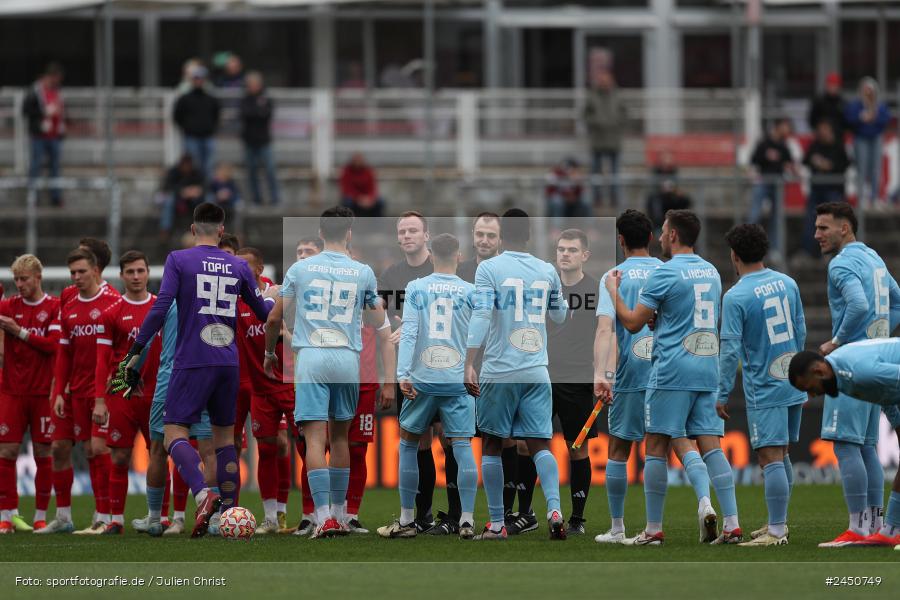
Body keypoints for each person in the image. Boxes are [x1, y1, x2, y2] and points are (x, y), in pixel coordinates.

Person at [120, 202, 273, 538]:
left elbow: (161, 306)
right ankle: (228, 516)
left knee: (173, 432)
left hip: (192, 360)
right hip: (228, 362)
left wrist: (136, 349)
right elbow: (264, 313)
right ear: (222, 230)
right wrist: (275, 307)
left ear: (193, 229)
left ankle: (204, 496)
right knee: (224, 440)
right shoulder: (238, 264)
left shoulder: (179, 259)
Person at [605, 209, 742, 545]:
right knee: (711, 446)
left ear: (674, 235)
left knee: (655, 445)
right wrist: (662, 320)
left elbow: (633, 323)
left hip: (672, 370)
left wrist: (613, 292)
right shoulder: (711, 271)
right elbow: (686, 313)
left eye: (665, 231)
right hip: (707, 367)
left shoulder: (666, 272)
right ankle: (732, 524)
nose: (661, 237)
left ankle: (653, 529)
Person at [264, 206, 395, 538]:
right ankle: (341, 514)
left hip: (312, 357)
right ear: (349, 233)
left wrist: (269, 353)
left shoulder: (300, 268)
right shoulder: (362, 271)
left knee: (314, 438)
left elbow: (274, 318)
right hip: (347, 359)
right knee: (340, 437)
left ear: (321, 233)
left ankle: (322, 517)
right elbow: (376, 319)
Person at [465, 208, 569, 540]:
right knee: (540, 443)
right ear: (529, 234)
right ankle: (554, 510)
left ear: (501, 235)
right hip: (537, 369)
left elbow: (482, 315)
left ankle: (497, 524)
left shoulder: (489, 268)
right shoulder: (547, 269)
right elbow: (560, 316)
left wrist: (469, 362)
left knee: (492, 443)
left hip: (500, 369)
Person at [811, 201, 900, 547]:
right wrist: (880, 334)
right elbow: (897, 301)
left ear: (844, 228)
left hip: (851, 365)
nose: (817, 234)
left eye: (823, 227)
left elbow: (859, 304)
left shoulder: (841, 263)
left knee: (846, 445)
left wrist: (837, 342)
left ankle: (857, 528)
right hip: (876, 359)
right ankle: (875, 524)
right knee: (866, 446)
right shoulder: (873, 258)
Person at [378, 233, 478, 540]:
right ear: (459, 256)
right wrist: (470, 367)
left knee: (409, 444)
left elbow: (409, 333)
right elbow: (479, 336)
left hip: (423, 379)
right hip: (456, 379)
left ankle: (408, 519)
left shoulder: (416, 287)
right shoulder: (471, 291)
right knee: (462, 447)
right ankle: (467, 519)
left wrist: (403, 373)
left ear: (432, 255)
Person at [717, 224, 807, 547]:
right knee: (781, 453)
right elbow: (800, 329)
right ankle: (776, 522)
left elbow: (729, 350)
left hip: (765, 385)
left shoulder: (736, 295)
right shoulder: (788, 283)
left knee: (770, 456)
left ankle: (777, 531)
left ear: (734, 255)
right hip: (792, 378)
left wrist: (721, 392)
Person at [35, 249, 120, 535]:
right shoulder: (69, 304)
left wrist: (114, 380)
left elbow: (120, 348)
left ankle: (103, 515)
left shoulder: (112, 302)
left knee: (96, 449)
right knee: (60, 447)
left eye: (81, 271)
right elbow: (64, 353)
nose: (76, 277)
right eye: (72, 272)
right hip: (73, 390)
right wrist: (59, 391)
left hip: (100, 390)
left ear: (95, 270)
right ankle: (63, 517)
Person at [593, 210, 662, 544]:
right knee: (673, 446)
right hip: (665, 372)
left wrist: (602, 374)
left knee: (619, 449)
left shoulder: (613, 276)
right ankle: (706, 506)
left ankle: (617, 527)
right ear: (651, 238)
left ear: (620, 240)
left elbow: (605, 330)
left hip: (630, 373)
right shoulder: (667, 271)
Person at [789, 341, 900, 548]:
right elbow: (886, 395)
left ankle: (871, 529)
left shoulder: (859, 372)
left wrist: (837, 338)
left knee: (849, 446)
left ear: (819, 371)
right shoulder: (844, 376)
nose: (812, 395)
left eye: (809, 388)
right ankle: (890, 531)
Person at [93, 251, 163, 535]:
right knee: (120, 457)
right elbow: (102, 360)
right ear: (121, 276)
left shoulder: (162, 308)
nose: (136, 277)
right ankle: (117, 519)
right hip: (122, 394)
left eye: (140, 271)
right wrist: (100, 400)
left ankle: (162, 517)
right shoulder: (112, 312)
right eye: (130, 272)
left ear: (148, 273)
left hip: (157, 393)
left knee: (159, 455)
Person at [378, 212, 437, 533]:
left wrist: (417, 328)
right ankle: (424, 514)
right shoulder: (391, 275)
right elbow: (380, 319)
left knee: (453, 440)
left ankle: (459, 516)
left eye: (413, 230)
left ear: (426, 235)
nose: (407, 235)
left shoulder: (440, 268)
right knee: (419, 441)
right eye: (402, 231)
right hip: (410, 372)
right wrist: (390, 326)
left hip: (443, 368)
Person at [234, 247, 293, 534]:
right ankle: (270, 517)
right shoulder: (233, 302)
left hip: (288, 384)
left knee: (300, 444)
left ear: (259, 269)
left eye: (245, 265)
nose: (239, 270)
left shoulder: (278, 295)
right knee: (267, 447)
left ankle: (309, 514)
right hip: (259, 388)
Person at [543, 229, 598, 535]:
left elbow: (605, 333)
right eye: (561, 249)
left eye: (572, 250)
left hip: (578, 378)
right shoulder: (545, 286)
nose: (565, 254)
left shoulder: (595, 290)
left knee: (576, 448)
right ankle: (523, 514)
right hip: (543, 375)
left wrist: (604, 373)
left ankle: (577, 518)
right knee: (527, 443)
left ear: (584, 255)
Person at [0, 255, 60, 534]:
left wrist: (20, 332)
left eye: (24, 279)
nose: (20, 284)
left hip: (42, 393)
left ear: (38, 277)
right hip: (12, 392)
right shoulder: (9, 306)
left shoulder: (54, 307)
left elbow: (53, 346)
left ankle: (39, 517)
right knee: (6, 451)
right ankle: (6, 515)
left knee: (43, 452)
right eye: (16, 280)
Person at [799, 121, 850, 260]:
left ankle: (835, 252)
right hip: (817, 190)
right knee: (811, 222)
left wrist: (829, 166)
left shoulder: (838, 146)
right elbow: (805, 160)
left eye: (825, 130)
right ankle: (809, 252)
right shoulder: (815, 145)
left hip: (833, 191)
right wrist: (815, 161)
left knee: (834, 223)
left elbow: (845, 164)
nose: (822, 134)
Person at [748, 119, 795, 260]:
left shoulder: (784, 146)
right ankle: (747, 245)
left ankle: (775, 250)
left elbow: (789, 163)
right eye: (785, 127)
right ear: (778, 127)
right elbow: (754, 160)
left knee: (777, 217)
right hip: (764, 180)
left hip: (778, 183)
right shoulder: (764, 143)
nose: (787, 130)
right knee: (755, 214)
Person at [23, 63, 65, 207]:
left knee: (55, 167)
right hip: (39, 136)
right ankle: (33, 197)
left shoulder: (57, 91)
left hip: (54, 136)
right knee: (35, 166)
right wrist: (44, 112)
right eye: (55, 78)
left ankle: (56, 198)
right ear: (48, 76)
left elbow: (61, 110)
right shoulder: (34, 91)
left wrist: (63, 125)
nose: (56, 81)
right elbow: (25, 110)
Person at [845, 78, 890, 208]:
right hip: (861, 138)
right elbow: (849, 119)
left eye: (870, 91)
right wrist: (861, 117)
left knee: (876, 169)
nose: (868, 93)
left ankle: (875, 198)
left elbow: (885, 119)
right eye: (865, 90)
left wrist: (875, 117)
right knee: (862, 168)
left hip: (876, 138)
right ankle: (861, 199)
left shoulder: (879, 105)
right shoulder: (856, 105)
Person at [583, 70, 626, 207]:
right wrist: (596, 122)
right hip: (597, 141)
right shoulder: (592, 96)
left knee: (615, 173)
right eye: (602, 81)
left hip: (614, 141)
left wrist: (616, 123)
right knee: (595, 173)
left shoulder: (618, 96)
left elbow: (624, 114)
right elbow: (585, 115)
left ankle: (615, 199)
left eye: (607, 80)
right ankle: (597, 199)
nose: (604, 83)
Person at [173, 65, 221, 180]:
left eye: (201, 78)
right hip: (191, 137)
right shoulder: (185, 99)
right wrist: (187, 128)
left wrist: (211, 128)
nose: (199, 81)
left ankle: (207, 189)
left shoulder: (210, 99)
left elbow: (216, 115)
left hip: (207, 137)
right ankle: (194, 188)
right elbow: (177, 116)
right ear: (192, 80)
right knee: (193, 166)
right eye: (196, 78)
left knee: (208, 166)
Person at [240, 71, 280, 206]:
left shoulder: (266, 98)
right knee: (251, 172)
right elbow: (245, 115)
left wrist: (256, 112)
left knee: (270, 170)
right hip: (249, 141)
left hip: (264, 141)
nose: (253, 86)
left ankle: (275, 198)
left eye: (255, 84)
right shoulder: (245, 100)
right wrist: (258, 111)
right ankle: (256, 199)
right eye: (250, 84)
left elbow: (267, 114)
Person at [159, 154, 205, 238]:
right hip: (177, 198)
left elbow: (204, 185)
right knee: (169, 200)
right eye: (185, 165)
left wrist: (197, 190)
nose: (186, 168)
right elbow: (167, 186)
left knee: (206, 200)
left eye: (188, 166)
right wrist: (182, 191)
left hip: (194, 199)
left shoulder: (196, 172)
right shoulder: (173, 172)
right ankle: (165, 229)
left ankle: (203, 227)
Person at [340, 153, 384, 218]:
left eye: (359, 160)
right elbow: (347, 189)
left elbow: (372, 187)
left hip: (367, 198)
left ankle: (377, 222)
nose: (357, 163)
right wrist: (358, 198)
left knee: (381, 201)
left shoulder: (368, 171)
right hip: (353, 198)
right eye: (356, 160)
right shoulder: (347, 171)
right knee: (348, 202)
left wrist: (369, 198)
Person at [808, 72, 848, 142]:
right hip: (821, 137)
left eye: (835, 85)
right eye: (830, 85)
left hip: (838, 137)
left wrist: (838, 132)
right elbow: (812, 120)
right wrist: (821, 131)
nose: (833, 87)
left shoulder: (842, 102)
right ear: (826, 86)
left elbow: (845, 122)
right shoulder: (819, 101)